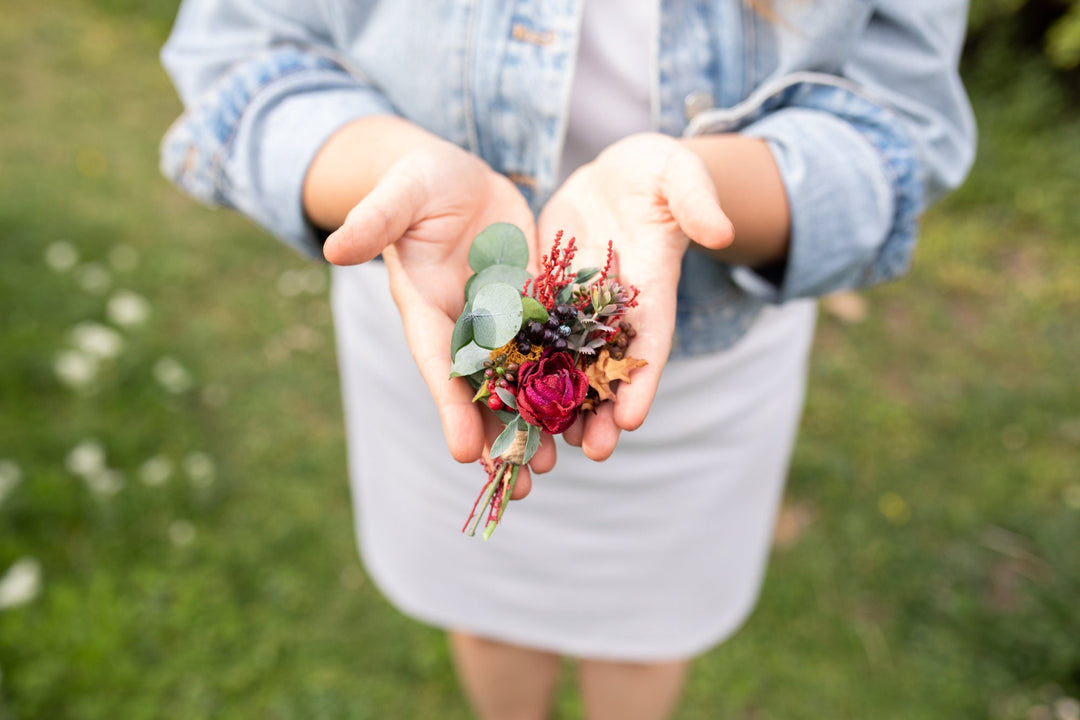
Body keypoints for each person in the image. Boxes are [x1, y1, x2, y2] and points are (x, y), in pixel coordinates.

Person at [160, 1, 975, 717]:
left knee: (648, 632)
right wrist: (386, 173)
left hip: (700, 370)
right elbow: (242, 50)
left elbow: (901, 121)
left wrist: (698, 185)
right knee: (483, 604)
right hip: (441, 313)